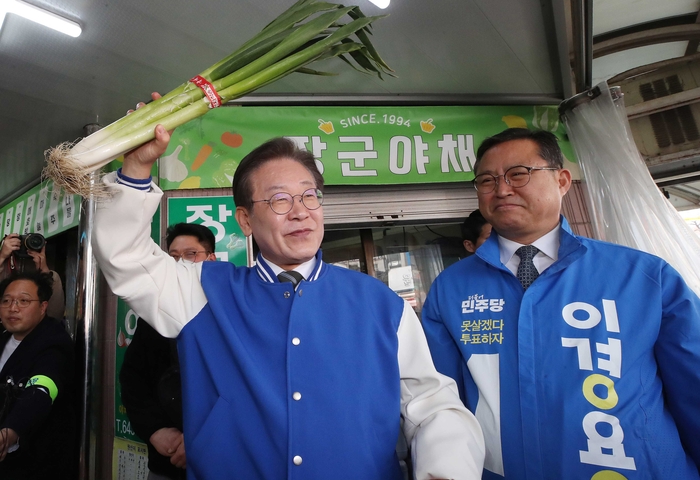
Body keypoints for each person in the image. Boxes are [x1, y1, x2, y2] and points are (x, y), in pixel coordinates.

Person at [92, 120, 485, 479]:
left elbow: (431, 403)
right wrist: (138, 167)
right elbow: (124, 258)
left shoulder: (380, 304)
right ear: (244, 220)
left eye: (309, 197)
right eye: (280, 200)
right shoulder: (202, 292)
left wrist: (445, 470)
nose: (300, 213)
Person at [422, 127, 700, 479]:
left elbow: (693, 387)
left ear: (562, 180)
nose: (502, 189)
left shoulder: (642, 275)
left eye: (518, 174)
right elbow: (442, 403)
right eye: (487, 180)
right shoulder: (451, 288)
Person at [120, 223, 217, 480]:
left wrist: (201, 439)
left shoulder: (232, 310)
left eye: (191, 254)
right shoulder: (153, 315)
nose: (181, 263)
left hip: (224, 458)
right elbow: (133, 379)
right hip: (167, 459)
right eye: (173, 257)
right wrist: (155, 430)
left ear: (211, 259)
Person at [0, 271, 75, 480]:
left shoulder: (53, 343)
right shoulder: (4, 338)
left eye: (24, 301)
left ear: (43, 307)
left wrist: (11, 431)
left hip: (37, 465)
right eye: (6, 301)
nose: (13, 308)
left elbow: (41, 389)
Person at [0, 234, 65, 321]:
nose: (13, 308)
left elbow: (55, 315)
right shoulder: (4, 267)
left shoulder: (51, 277)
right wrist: (2, 257)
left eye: (24, 301)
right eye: (21, 239)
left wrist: (45, 274)